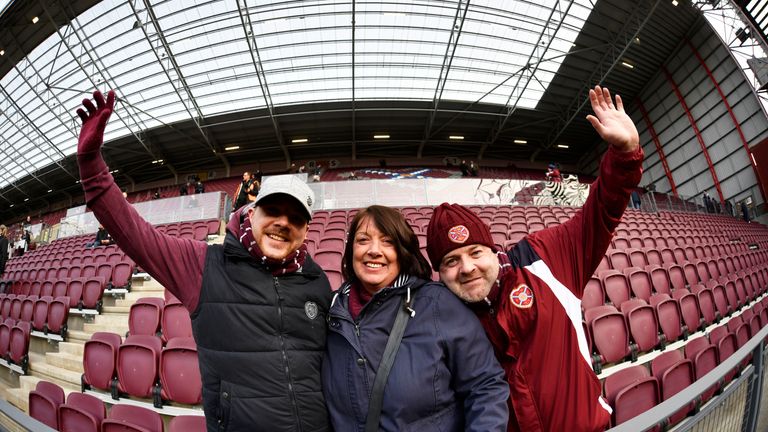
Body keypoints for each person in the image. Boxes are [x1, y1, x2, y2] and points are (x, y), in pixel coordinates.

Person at [76, 90, 332, 431]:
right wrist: (92, 167)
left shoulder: (316, 280)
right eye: (273, 210)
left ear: (305, 229)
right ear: (251, 213)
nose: (283, 223)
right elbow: (135, 235)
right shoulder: (204, 265)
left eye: (295, 217)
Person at [425, 85, 643, 432]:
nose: (466, 268)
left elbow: (602, 210)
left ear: (492, 249)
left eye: (475, 252)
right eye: (450, 261)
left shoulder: (545, 258)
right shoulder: (441, 316)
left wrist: (625, 153)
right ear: (439, 271)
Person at [322, 205, 509, 431]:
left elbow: (485, 387)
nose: (374, 250)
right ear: (351, 249)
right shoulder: (332, 311)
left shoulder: (439, 304)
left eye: (388, 241)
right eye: (363, 240)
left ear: (402, 252)